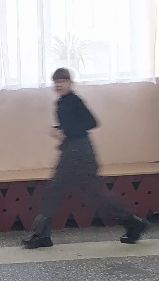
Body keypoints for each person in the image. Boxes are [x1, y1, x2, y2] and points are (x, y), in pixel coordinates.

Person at [22, 67, 145, 249]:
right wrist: (60, 129)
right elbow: (72, 125)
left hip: (81, 154)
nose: (59, 84)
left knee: (93, 196)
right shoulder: (62, 102)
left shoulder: (74, 101)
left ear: (70, 83)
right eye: (56, 82)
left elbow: (91, 122)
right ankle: (41, 235)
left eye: (62, 81)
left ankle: (133, 223)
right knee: (56, 192)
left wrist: (64, 131)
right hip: (72, 152)